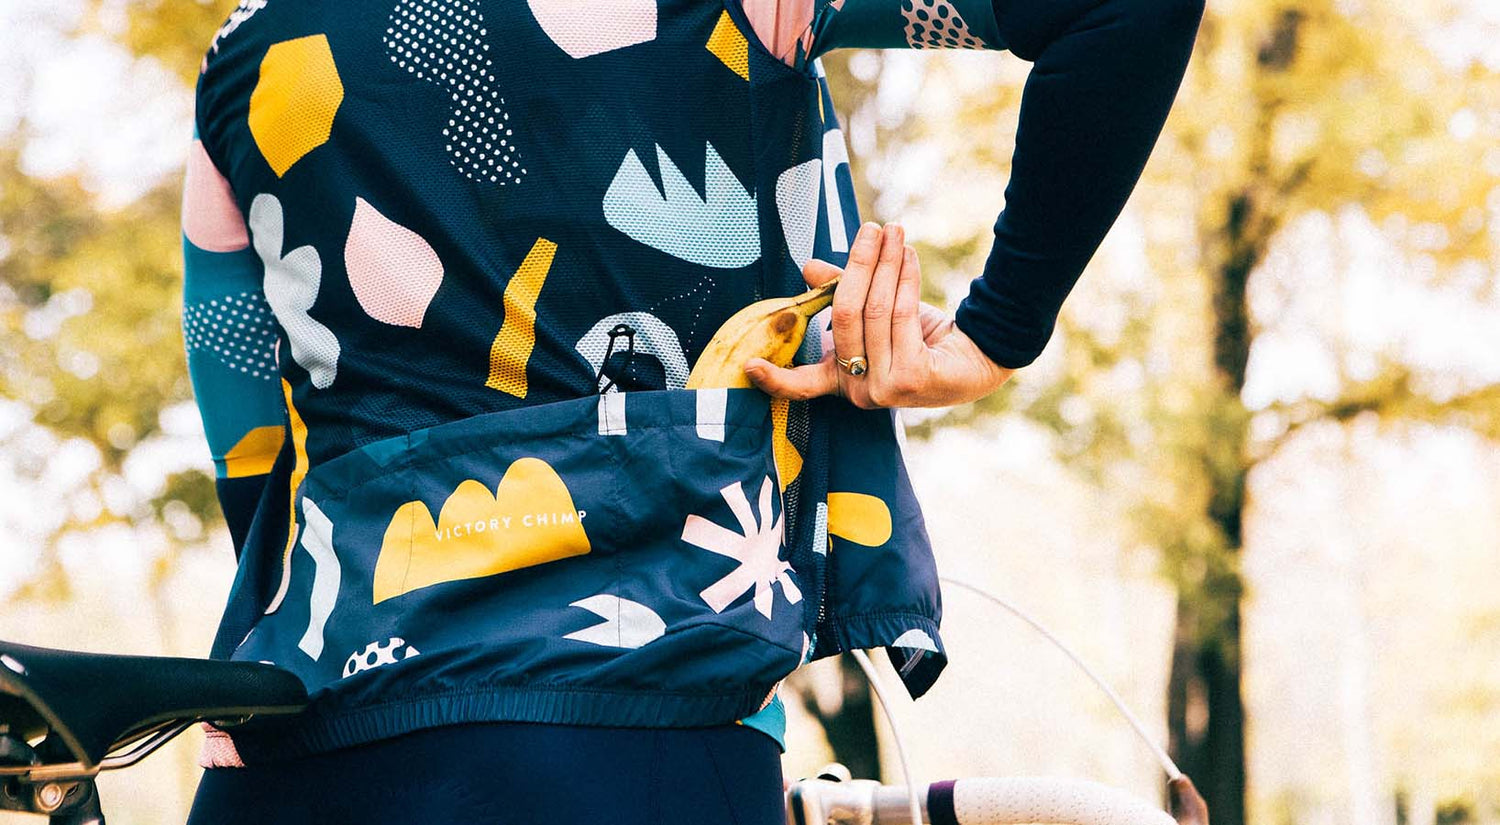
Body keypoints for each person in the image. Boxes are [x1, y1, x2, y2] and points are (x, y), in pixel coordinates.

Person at [178, 0, 1201, 821]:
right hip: (649, 726)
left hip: (309, 737)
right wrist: (993, 335)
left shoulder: (246, 54)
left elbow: (250, 450)